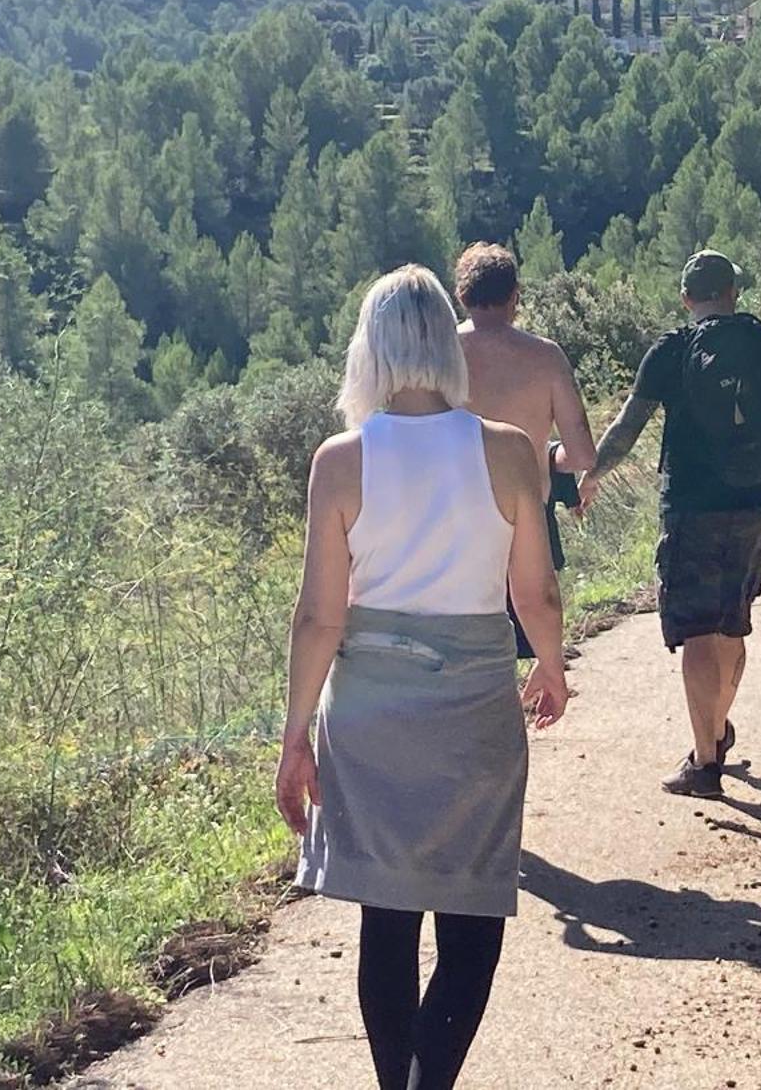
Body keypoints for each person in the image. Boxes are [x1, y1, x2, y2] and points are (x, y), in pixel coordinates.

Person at [276, 265, 568, 1090]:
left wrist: (295, 737)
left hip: (369, 713)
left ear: (367, 350)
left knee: (388, 922)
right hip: (474, 705)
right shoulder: (508, 453)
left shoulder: (340, 461)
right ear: (447, 343)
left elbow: (319, 620)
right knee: (474, 925)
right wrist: (549, 665)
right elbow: (535, 592)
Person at [579, 250, 761, 799]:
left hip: (692, 505)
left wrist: (592, 473)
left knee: (698, 631)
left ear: (685, 299)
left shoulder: (671, 352)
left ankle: (704, 763)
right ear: (733, 293)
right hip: (750, 499)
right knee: (732, 622)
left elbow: (629, 427)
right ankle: (717, 730)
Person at [454, 243, 598, 654]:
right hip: (526, 519)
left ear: (461, 295)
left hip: (454, 524)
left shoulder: (441, 355)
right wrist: (548, 454)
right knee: (532, 650)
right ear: (515, 295)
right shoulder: (545, 357)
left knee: (467, 657)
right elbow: (584, 456)